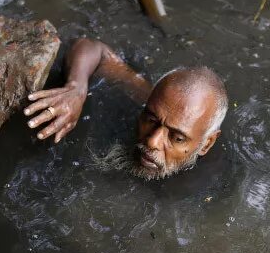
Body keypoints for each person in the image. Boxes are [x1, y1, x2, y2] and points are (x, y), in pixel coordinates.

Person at [23, 38, 228, 181]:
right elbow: (94, 49)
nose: (151, 141)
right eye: (151, 120)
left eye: (177, 138)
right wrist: (76, 89)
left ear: (206, 144)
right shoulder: (157, 102)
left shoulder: (210, 184)